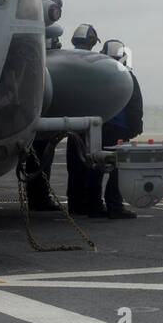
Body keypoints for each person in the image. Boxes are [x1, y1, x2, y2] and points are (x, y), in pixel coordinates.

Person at [62, 24, 105, 214]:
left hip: (73, 122)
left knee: (75, 165)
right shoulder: (92, 62)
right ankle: (88, 203)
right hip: (88, 124)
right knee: (90, 165)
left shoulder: (66, 60)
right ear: (92, 42)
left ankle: (76, 203)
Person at [99, 39, 144, 220]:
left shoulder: (98, 76)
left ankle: (91, 204)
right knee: (118, 169)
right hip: (118, 130)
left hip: (99, 127)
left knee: (94, 168)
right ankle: (114, 206)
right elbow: (134, 106)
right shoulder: (126, 76)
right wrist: (134, 128)